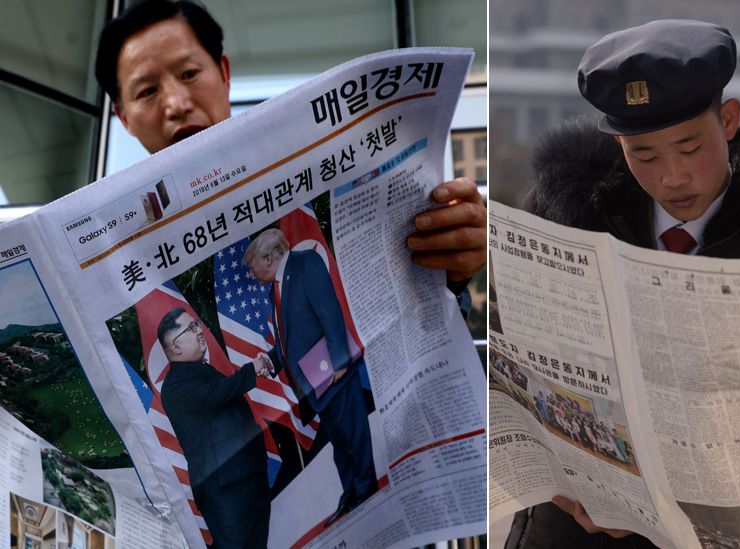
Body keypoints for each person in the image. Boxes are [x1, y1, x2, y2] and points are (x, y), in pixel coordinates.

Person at [508, 19, 740, 548]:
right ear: (619, 144)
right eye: (643, 155)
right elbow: (519, 363)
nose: (672, 176)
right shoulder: (562, 217)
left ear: (729, 120)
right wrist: (567, 491)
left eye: (690, 148)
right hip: (574, 529)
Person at [94, 0, 486, 303]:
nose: (176, 103)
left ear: (224, 73)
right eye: (147, 91)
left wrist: (450, 271)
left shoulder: (334, 177)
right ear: (123, 118)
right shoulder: (117, 256)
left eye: (189, 74)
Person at [243, 228, 376, 525]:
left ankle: (367, 493)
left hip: (334, 372)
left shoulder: (305, 264)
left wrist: (340, 359)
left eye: (252, 269)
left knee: (354, 436)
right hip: (317, 382)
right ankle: (352, 494)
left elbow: (329, 311)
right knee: (340, 443)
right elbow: (291, 340)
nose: (252, 275)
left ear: (268, 257)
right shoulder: (276, 286)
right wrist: (270, 360)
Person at [157, 307, 272, 548]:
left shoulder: (201, 370)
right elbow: (216, 394)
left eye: (196, 323)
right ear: (175, 347)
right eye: (191, 328)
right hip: (225, 491)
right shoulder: (175, 386)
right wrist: (252, 368)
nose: (199, 331)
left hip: (248, 477)